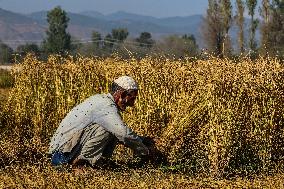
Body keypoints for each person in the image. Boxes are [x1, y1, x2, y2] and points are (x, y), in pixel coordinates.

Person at [48, 76, 155, 168]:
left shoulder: (101, 100)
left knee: (113, 129)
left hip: (63, 151)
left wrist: (142, 140)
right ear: (122, 95)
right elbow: (124, 134)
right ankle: (82, 163)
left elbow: (122, 135)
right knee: (109, 129)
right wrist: (146, 152)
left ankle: (92, 162)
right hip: (61, 155)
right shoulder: (106, 107)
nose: (132, 104)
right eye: (132, 99)